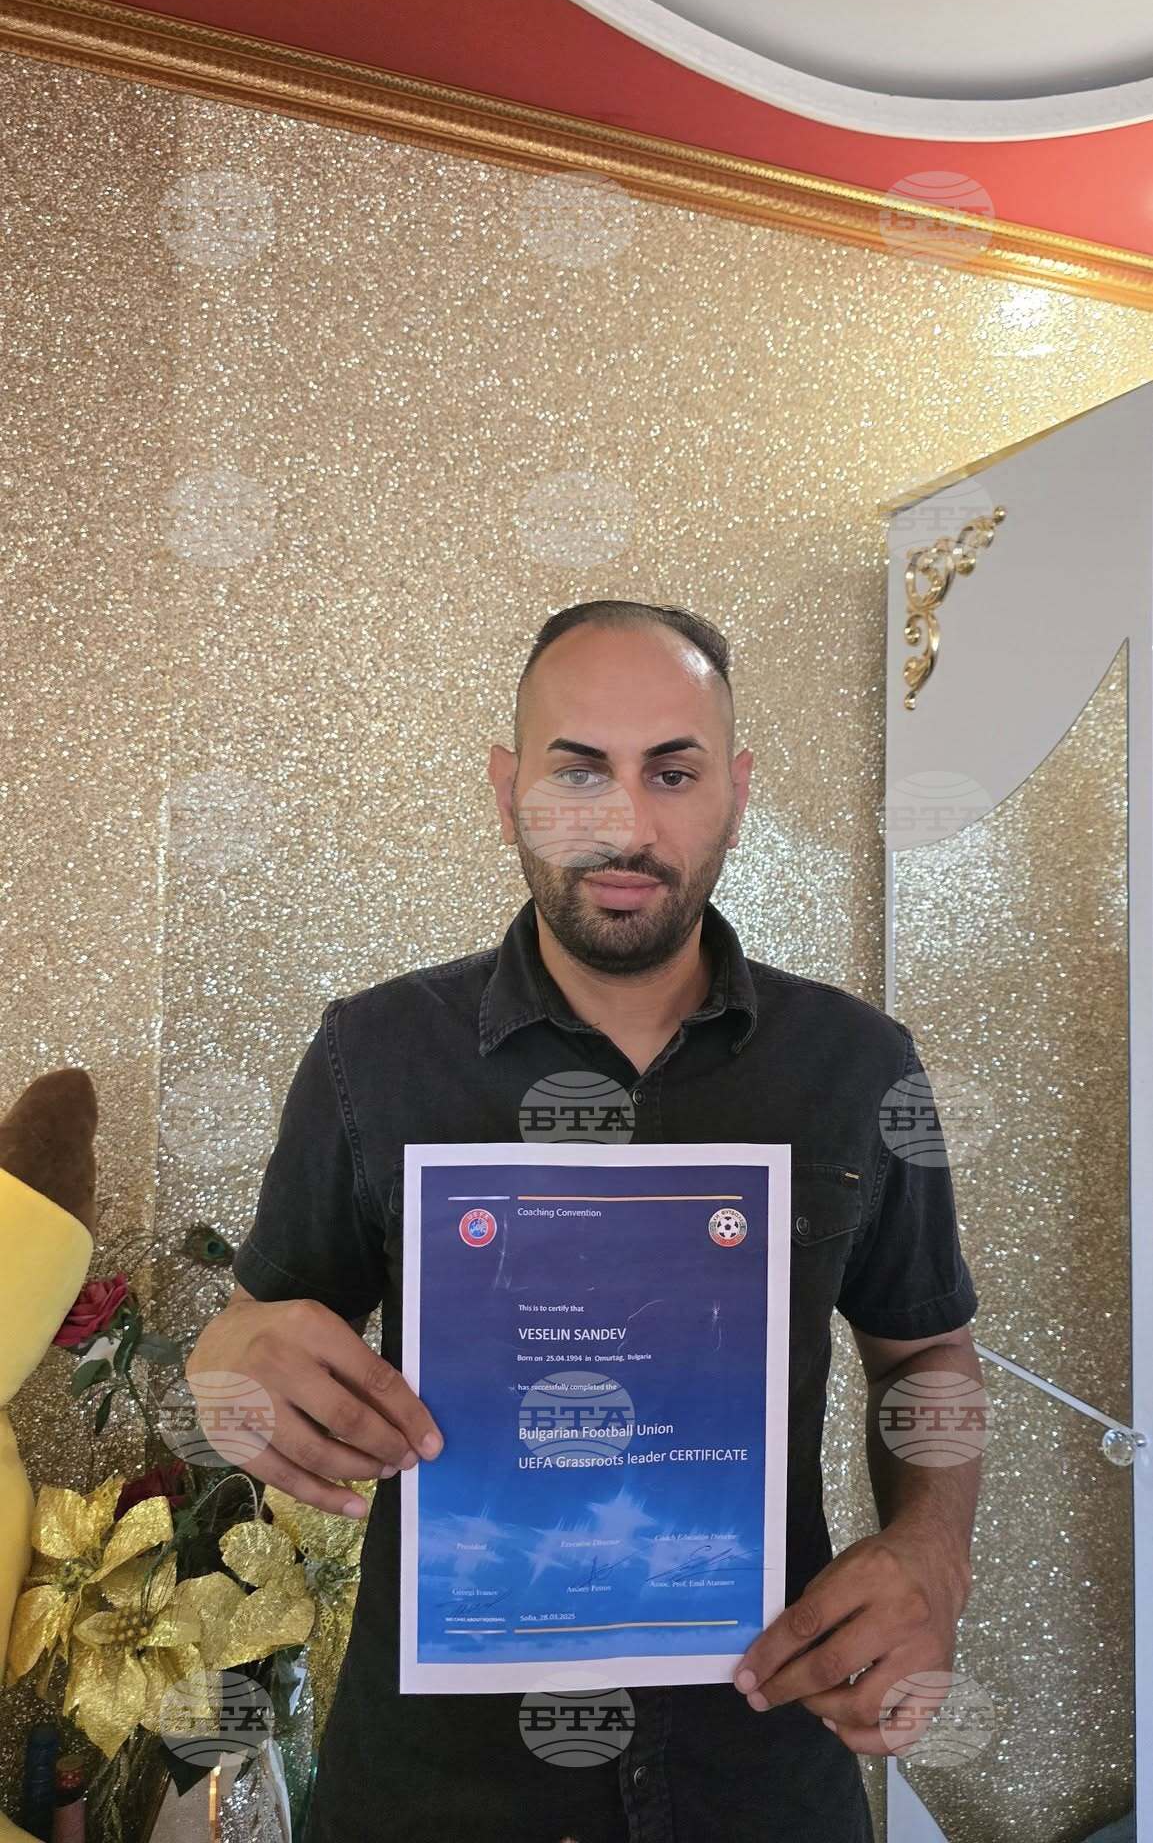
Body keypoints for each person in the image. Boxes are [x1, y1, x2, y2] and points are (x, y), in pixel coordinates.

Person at [187, 598, 982, 1843]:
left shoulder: (858, 1065)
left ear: (736, 794)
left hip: (758, 1765)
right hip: (438, 1789)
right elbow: (259, 1329)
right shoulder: (371, 1055)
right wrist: (222, 1358)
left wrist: (932, 1551)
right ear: (506, 789)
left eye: (673, 771)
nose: (623, 826)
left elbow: (923, 1348)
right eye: (576, 770)